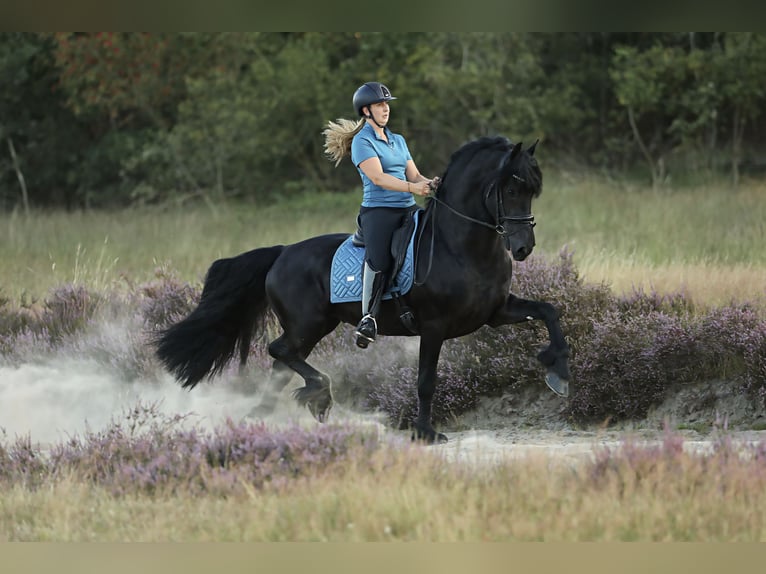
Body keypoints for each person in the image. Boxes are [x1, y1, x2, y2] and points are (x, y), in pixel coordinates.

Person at [323, 81, 438, 348]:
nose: (386, 109)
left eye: (386, 104)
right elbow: (379, 178)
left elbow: (414, 175)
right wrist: (414, 187)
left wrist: (431, 183)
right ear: (366, 111)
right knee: (380, 259)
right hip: (379, 213)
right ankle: (369, 318)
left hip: (408, 208)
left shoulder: (398, 140)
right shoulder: (362, 142)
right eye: (379, 105)